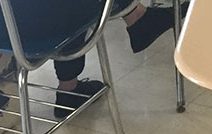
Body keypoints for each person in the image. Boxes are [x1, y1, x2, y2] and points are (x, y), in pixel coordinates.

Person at [54, 1, 188, 118]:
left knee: (60, 8)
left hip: (35, 32)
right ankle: (137, 16)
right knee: (69, 6)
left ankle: (68, 88)